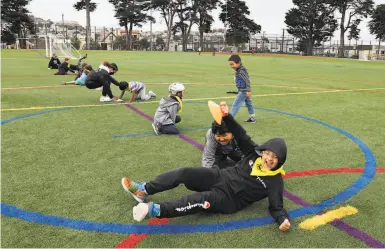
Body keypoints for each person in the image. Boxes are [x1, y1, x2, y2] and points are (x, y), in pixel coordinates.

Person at [121, 101, 291, 232]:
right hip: (220, 176)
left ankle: (154, 210)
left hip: (229, 199)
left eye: (274, 157)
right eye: (268, 153)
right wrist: (226, 116)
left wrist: (282, 219)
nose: (269, 158)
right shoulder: (254, 154)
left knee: (200, 199)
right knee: (184, 172)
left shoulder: (275, 182)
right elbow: (241, 134)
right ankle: (144, 189)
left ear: (280, 161)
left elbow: (276, 207)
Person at [228, 54, 256, 123]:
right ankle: (252, 117)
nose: (231, 66)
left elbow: (247, 80)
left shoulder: (241, 71)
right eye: (230, 65)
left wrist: (248, 90)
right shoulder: (239, 70)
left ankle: (229, 120)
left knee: (236, 104)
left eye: (232, 64)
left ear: (239, 63)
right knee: (249, 104)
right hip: (244, 90)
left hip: (244, 91)